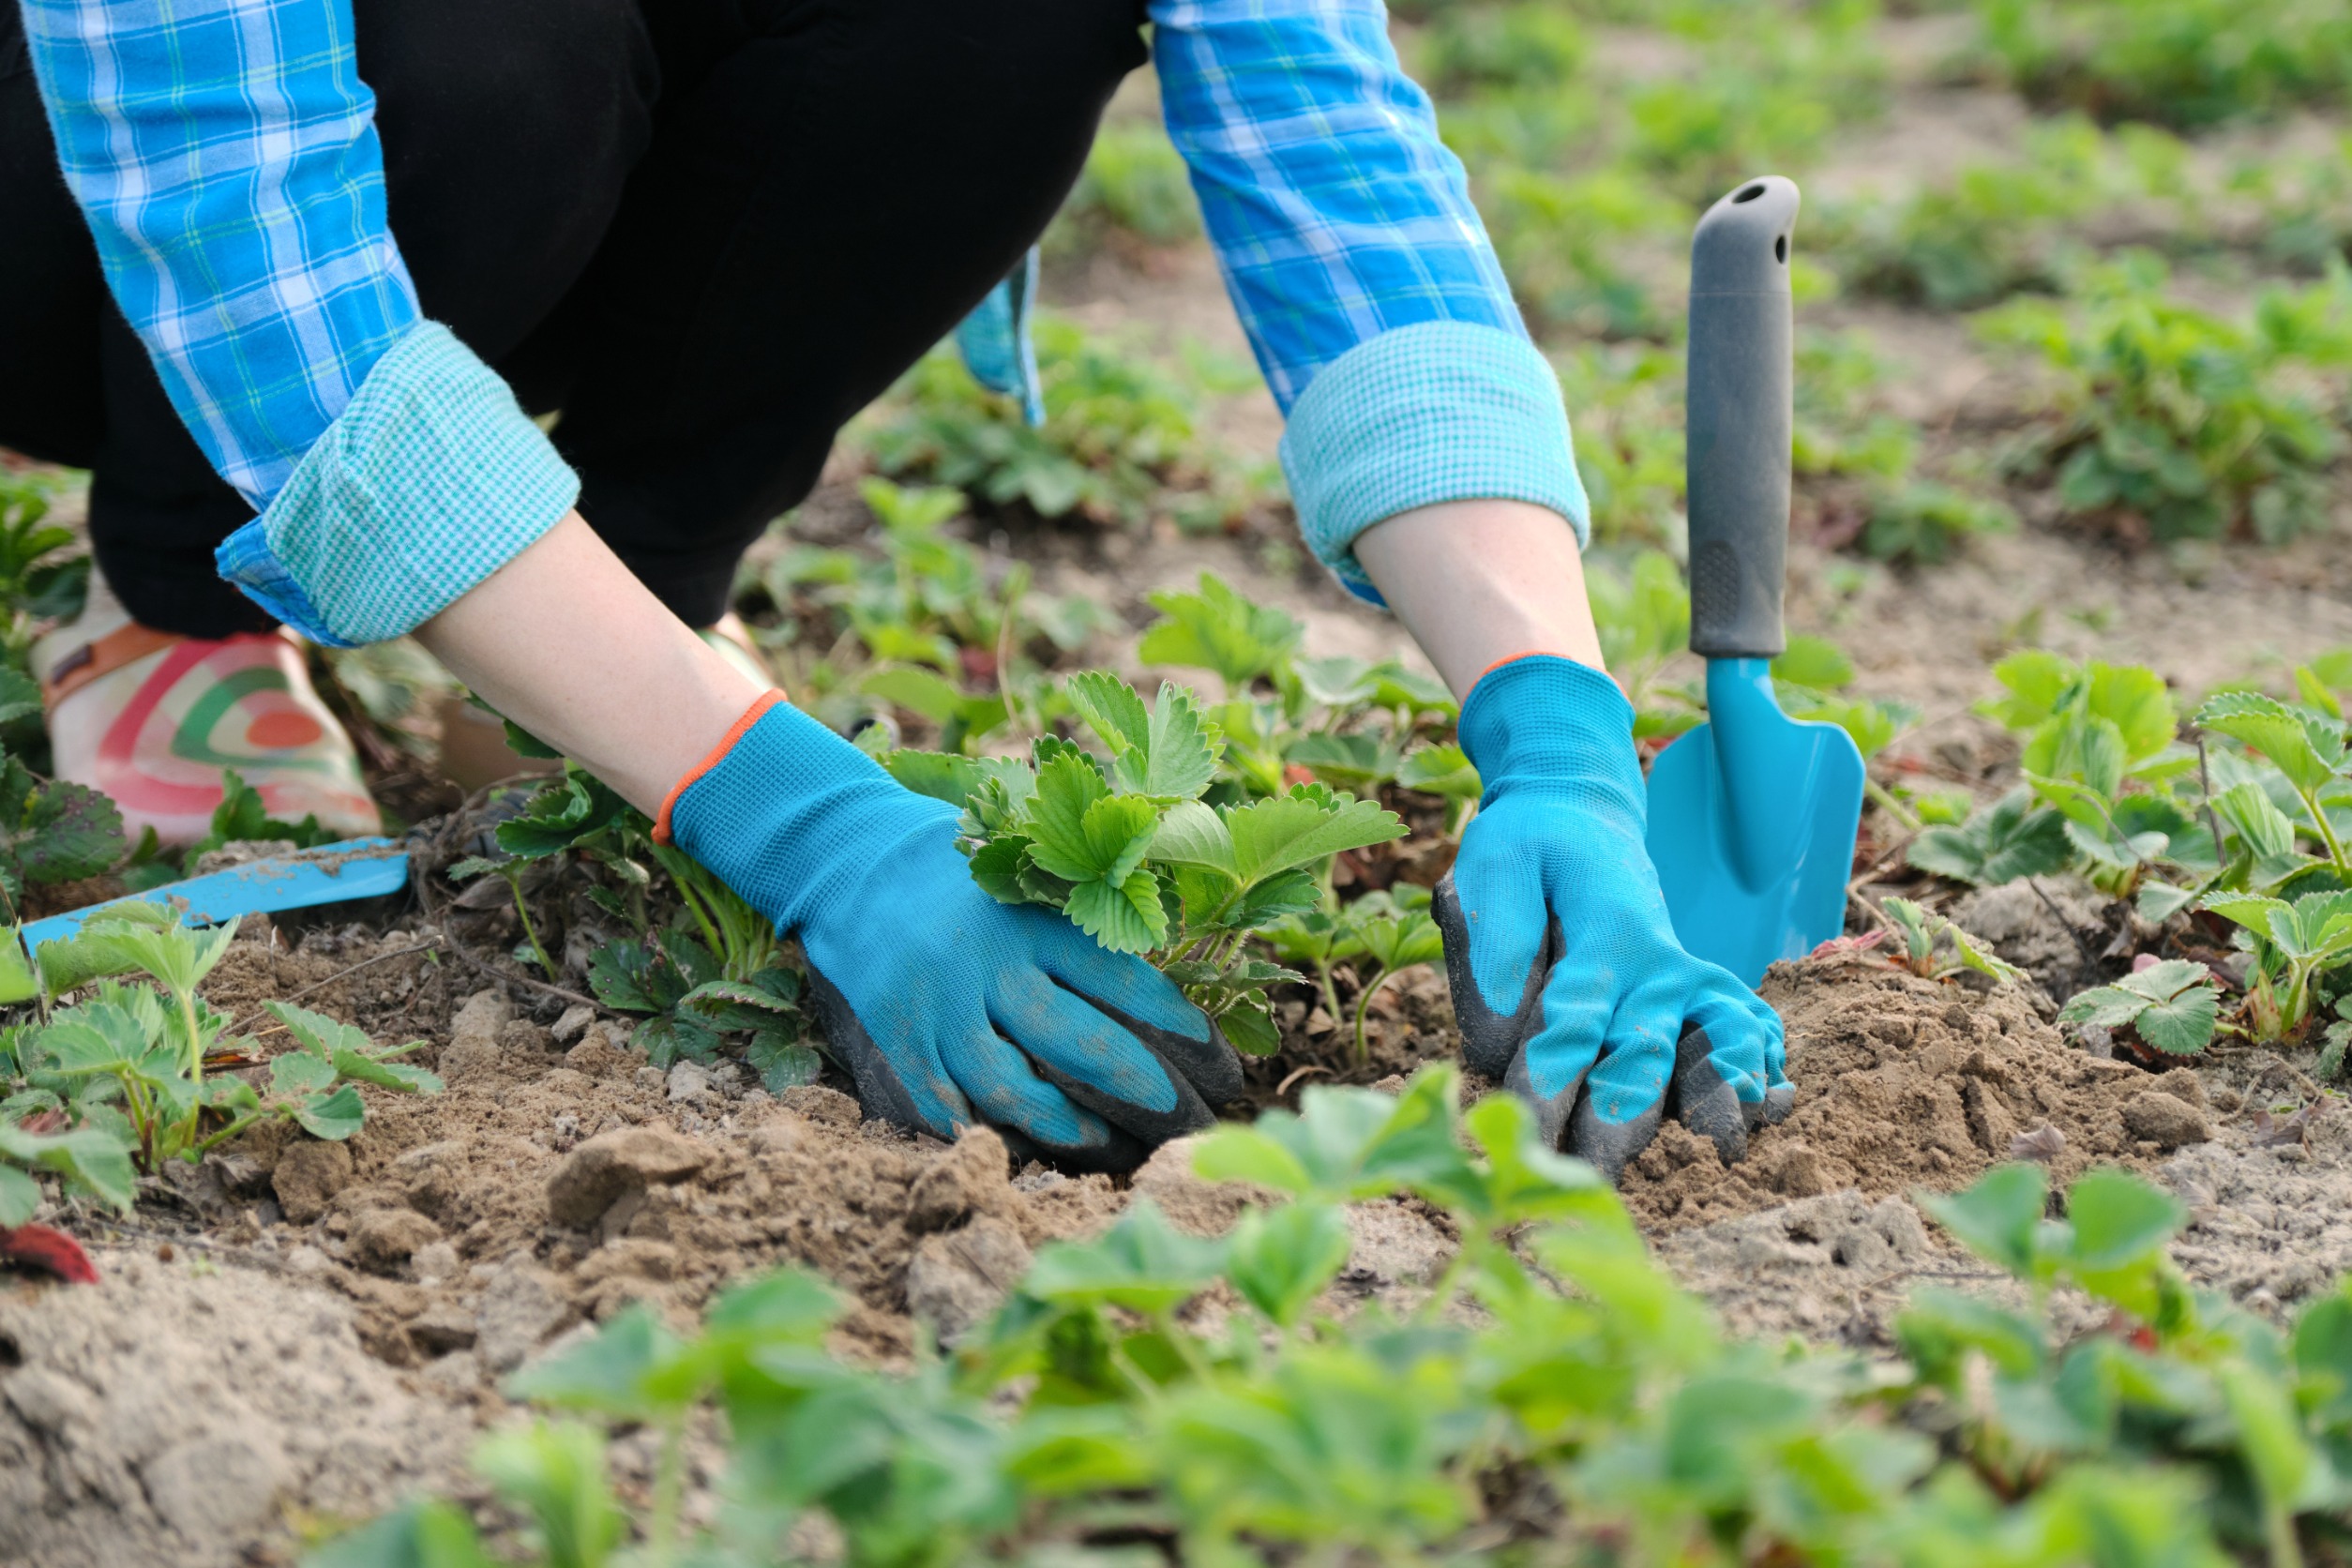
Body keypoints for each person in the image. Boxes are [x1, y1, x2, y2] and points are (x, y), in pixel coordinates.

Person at [3, 0, 1787, 1177]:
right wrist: (805, 822)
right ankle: (183, 603)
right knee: (480, 47)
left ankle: (613, 613)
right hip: (104, 204)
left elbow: (1331, 147)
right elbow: (238, 219)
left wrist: (1554, 725)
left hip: (581, 147)